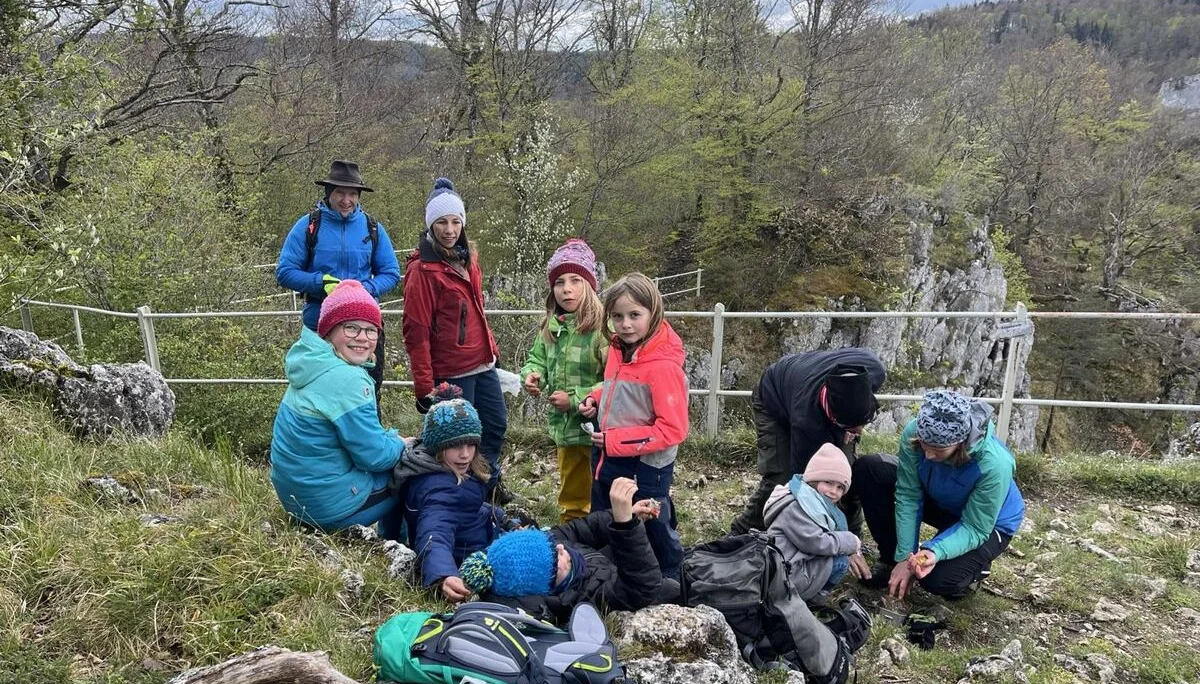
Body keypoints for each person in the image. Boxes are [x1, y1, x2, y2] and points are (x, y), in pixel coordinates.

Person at [852, 390, 1025, 600]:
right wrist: (904, 558)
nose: (928, 455)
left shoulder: (995, 465)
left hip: (987, 523)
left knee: (937, 580)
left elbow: (975, 527)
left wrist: (933, 551)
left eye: (938, 450)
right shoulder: (915, 432)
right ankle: (891, 562)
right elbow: (908, 494)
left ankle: (974, 570)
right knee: (871, 470)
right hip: (941, 499)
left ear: (960, 444)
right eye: (924, 446)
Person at [402, 177, 512, 504]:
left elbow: (477, 309)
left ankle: (486, 482)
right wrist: (424, 386)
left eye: (455, 221)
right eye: (441, 222)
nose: (449, 229)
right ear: (430, 225)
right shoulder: (423, 270)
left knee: (495, 425)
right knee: (459, 438)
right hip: (452, 368)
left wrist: (491, 349)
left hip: (482, 362)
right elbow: (415, 330)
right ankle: (459, 494)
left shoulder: (467, 259)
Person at [269, 280, 405, 539]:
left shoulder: (312, 363)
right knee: (412, 471)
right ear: (329, 331)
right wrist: (401, 444)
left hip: (298, 501)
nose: (362, 338)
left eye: (371, 330)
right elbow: (374, 457)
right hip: (327, 510)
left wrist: (390, 439)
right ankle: (397, 546)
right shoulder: (348, 380)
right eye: (351, 328)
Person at [578, 272, 688, 580]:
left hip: (645, 466)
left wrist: (613, 441)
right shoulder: (619, 350)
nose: (625, 324)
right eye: (617, 316)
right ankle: (603, 573)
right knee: (606, 517)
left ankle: (672, 577)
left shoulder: (664, 366)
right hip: (608, 457)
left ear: (654, 314)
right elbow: (619, 389)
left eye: (635, 315)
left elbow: (673, 429)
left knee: (651, 522)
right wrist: (595, 398)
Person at [458, 477, 671, 623]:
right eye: (554, 559)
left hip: (635, 564)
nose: (560, 548)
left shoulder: (557, 549)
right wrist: (626, 526)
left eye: (550, 543)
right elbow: (643, 587)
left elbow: (586, 528)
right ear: (547, 586)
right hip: (670, 593)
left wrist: (624, 515)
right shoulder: (583, 600)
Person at [276, 160, 401, 407]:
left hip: (364, 328)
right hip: (319, 327)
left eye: (352, 194)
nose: (347, 200)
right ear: (328, 194)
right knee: (319, 394)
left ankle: (368, 443)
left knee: (366, 392)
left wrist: (366, 289)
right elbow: (285, 272)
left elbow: (391, 272)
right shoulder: (309, 226)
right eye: (340, 193)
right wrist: (320, 283)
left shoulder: (372, 227)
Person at [729, 348, 886, 536]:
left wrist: (848, 427)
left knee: (844, 475)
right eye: (852, 428)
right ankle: (742, 531)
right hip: (774, 398)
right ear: (835, 419)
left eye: (862, 424)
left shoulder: (874, 370)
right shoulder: (807, 422)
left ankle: (851, 535)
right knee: (782, 477)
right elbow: (801, 483)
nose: (859, 431)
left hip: (807, 383)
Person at [393, 383, 506, 602]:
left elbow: (467, 508)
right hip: (471, 558)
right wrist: (444, 574)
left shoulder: (447, 470)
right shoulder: (439, 487)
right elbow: (434, 532)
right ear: (438, 446)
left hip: (478, 538)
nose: (465, 454)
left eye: (471, 445)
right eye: (456, 446)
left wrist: (501, 517)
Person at [521, 239, 606, 523]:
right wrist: (533, 375)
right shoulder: (551, 327)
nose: (566, 288)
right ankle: (574, 537)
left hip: (598, 431)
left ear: (589, 286)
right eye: (559, 282)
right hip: (566, 431)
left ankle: (606, 535)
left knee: (601, 488)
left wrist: (574, 399)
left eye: (575, 280)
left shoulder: (602, 330)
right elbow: (537, 359)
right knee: (572, 492)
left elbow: (616, 381)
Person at [763, 443, 871, 602]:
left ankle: (811, 599)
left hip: (791, 564)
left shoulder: (810, 502)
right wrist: (849, 542)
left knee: (838, 557)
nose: (834, 491)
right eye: (828, 482)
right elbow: (816, 542)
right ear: (813, 480)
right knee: (840, 562)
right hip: (784, 575)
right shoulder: (796, 506)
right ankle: (811, 602)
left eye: (840, 487)